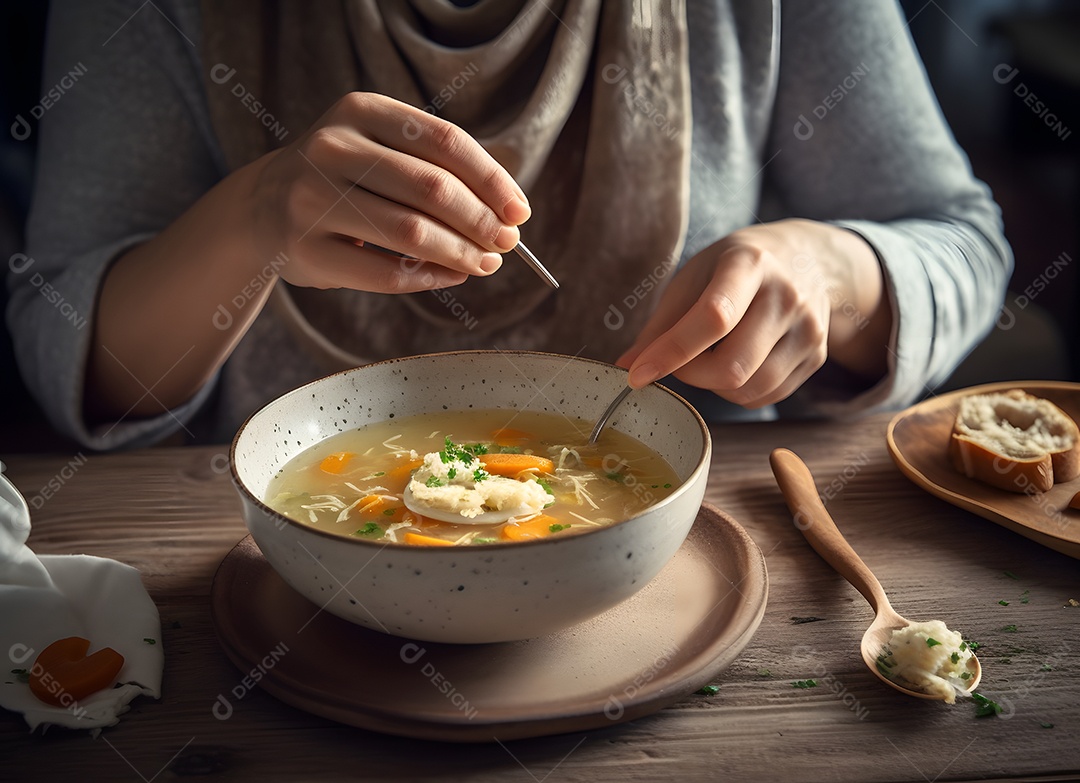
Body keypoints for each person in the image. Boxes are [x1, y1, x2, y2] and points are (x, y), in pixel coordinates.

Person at [7, 0, 1011, 450]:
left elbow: (962, 240)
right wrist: (254, 218)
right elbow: (64, 353)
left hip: (699, 555)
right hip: (282, 582)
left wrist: (834, 272)